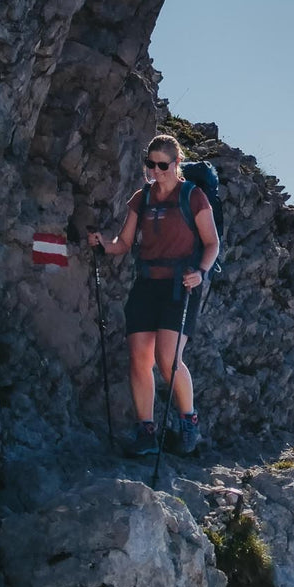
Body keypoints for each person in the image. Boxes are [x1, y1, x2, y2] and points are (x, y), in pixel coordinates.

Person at [89, 133, 220, 456]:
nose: (156, 171)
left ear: (176, 165)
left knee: (168, 360)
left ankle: (189, 421)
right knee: (139, 360)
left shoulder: (193, 197)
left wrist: (200, 272)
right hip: (146, 284)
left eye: (163, 165)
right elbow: (124, 243)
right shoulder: (142, 198)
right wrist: (103, 245)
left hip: (180, 286)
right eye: (151, 164)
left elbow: (212, 243)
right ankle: (146, 431)